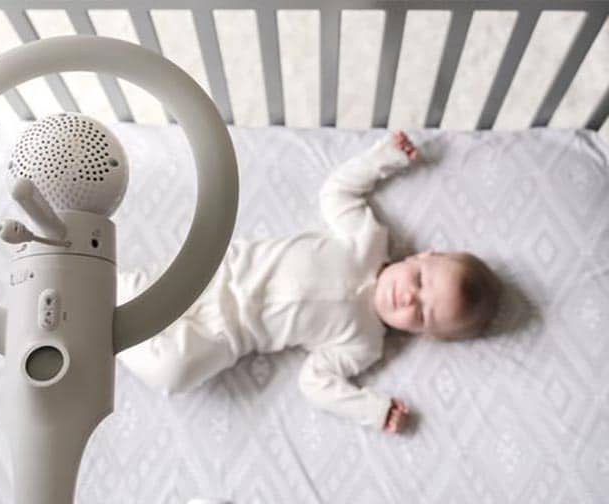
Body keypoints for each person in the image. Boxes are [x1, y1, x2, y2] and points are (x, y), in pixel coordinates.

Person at [117, 131, 501, 434]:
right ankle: (111, 291)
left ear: (423, 334)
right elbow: (339, 191)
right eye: (419, 281)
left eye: (421, 314)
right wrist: (385, 157)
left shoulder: (364, 344)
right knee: (155, 287)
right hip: (217, 274)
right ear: (422, 256)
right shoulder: (367, 240)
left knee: (173, 374)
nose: (408, 298)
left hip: (228, 335)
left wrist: (372, 410)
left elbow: (315, 382)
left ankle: (111, 330)